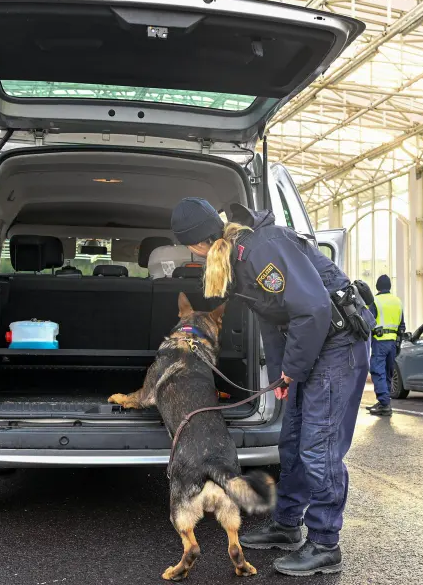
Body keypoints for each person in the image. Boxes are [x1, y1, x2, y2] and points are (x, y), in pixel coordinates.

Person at [170, 197, 375, 577]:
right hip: (311, 342)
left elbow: (312, 309)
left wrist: (293, 368)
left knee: (319, 445)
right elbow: (271, 318)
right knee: (293, 438)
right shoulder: (238, 259)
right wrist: (282, 372)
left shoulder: (261, 250)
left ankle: (326, 544)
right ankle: (287, 525)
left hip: (337, 343)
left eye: (189, 247)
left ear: (197, 244)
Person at [366, 275, 405, 417]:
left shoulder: (375, 301)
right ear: (389, 286)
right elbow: (402, 325)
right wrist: (398, 342)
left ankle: (384, 403)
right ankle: (384, 401)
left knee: (377, 371)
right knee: (388, 372)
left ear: (377, 287)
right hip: (393, 343)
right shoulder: (397, 302)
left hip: (380, 341)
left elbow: (368, 322)